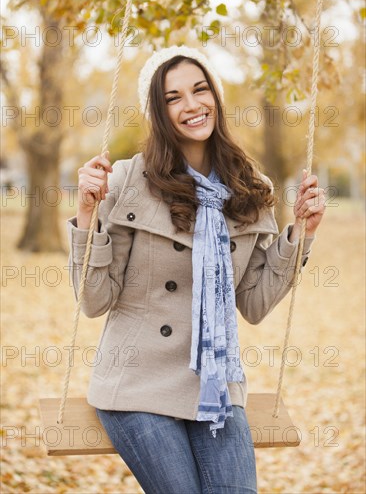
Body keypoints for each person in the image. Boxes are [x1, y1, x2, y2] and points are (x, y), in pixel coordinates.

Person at [67, 45, 326, 494]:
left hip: (215, 388)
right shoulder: (130, 180)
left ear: (215, 98)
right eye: (172, 98)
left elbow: (254, 303)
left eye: (199, 90)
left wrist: (300, 235)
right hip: (136, 382)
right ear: (158, 112)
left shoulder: (250, 188)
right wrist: (88, 219)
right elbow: (94, 300)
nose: (190, 105)